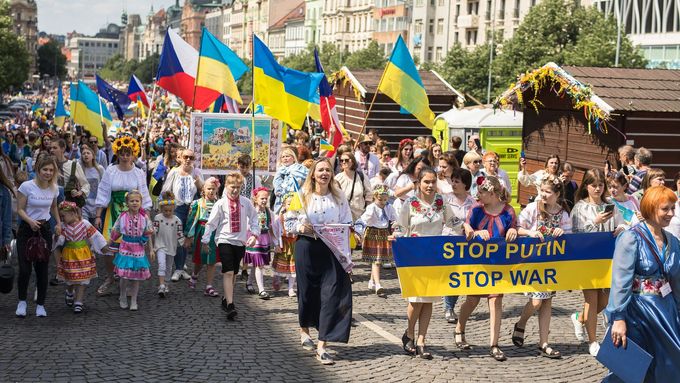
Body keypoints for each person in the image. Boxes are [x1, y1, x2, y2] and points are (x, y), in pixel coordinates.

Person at [605, 186, 680, 382]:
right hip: (637, 312)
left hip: (666, 311)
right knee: (632, 369)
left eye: (673, 208)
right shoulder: (631, 238)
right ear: (651, 207)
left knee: (671, 362)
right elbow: (621, 280)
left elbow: (677, 281)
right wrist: (618, 318)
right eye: (665, 209)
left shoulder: (673, 241)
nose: (671, 213)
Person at [286, 158, 353, 365]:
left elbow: (348, 221)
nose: (324, 173)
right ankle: (304, 330)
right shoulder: (301, 196)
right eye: (320, 170)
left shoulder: (339, 196)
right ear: (313, 174)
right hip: (307, 247)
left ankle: (323, 344)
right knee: (307, 293)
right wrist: (300, 228)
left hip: (332, 249)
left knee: (332, 294)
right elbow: (289, 222)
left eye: (328, 170)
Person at [393, 167, 455, 359]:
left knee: (429, 300)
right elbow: (400, 226)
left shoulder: (441, 201)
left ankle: (422, 339)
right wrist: (396, 236)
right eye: (426, 182)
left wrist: (469, 229)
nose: (430, 185)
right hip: (414, 257)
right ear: (418, 183)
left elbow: (453, 221)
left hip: (433, 257)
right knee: (416, 300)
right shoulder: (410, 203)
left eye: (433, 181)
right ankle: (409, 333)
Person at [456, 176, 517, 361]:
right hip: (477, 262)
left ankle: (494, 344)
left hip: (498, 264)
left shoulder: (508, 212)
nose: (477, 195)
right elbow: (465, 228)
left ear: (492, 193)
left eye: (481, 192)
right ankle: (460, 327)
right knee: (472, 300)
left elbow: (515, 228)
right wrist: (473, 231)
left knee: (495, 301)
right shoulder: (476, 210)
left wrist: (514, 231)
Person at [514, 176, 571, 358]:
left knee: (547, 301)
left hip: (552, 263)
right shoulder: (533, 208)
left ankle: (543, 343)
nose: (544, 195)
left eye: (548, 192)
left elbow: (570, 235)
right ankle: (521, 322)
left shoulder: (563, 213)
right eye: (542, 191)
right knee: (537, 300)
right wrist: (530, 232)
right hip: (533, 261)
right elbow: (517, 228)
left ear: (557, 194)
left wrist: (563, 233)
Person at [570, 168, 625, 356]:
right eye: (594, 185)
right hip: (587, 257)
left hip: (607, 258)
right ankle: (593, 341)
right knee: (591, 298)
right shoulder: (579, 207)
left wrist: (621, 228)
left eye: (601, 185)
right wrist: (595, 221)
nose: (598, 189)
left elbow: (622, 223)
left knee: (606, 300)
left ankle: (580, 318)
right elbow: (575, 233)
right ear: (586, 186)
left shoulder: (611, 205)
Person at [94, 136, 152, 296]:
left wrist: (147, 217)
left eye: (129, 153)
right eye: (122, 153)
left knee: (131, 248)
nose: (125, 156)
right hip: (113, 213)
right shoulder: (110, 171)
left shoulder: (139, 172)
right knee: (108, 248)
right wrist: (98, 215)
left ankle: (126, 280)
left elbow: (144, 194)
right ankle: (111, 277)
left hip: (134, 215)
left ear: (134, 154)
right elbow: (103, 191)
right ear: (117, 154)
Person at [201, 173, 259, 321]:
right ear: (226, 186)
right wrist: (206, 240)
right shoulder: (220, 203)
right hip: (224, 240)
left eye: (238, 188)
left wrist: (254, 234)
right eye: (232, 187)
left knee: (233, 273)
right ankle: (231, 305)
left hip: (240, 242)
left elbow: (254, 218)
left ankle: (226, 298)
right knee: (228, 271)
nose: (235, 190)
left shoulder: (246, 202)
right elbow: (212, 222)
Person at [15, 155, 61, 318]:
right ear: (37, 170)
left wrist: (58, 223)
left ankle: (40, 304)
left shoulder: (54, 188)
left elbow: (54, 207)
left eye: (51, 170)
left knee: (42, 269)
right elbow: (20, 209)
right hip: (27, 229)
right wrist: (30, 221)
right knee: (25, 269)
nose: (48, 173)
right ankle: (22, 301)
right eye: (45, 170)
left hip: (45, 229)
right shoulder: (27, 186)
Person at [55, 201, 107, 314]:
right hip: (69, 255)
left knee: (82, 279)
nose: (62, 219)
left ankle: (78, 301)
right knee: (70, 278)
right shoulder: (63, 226)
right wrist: (57, 235)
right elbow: (60, 241)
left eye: (63, 216)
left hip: (83, 254)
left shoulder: (85, 224)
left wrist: (103, 246)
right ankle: (69, 291)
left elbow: (95, 235)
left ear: (73, 213)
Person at [161, 148, 203, 282]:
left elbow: (204, 189)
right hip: (177, 208)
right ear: (180, 158)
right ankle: (178, 268)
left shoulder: (196, 172)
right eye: (186, 157)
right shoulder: (174, 172)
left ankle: (181, 268)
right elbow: (166, 190)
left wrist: (198, 182)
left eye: (191, 157)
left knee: (187, 239)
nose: (188, 160)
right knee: (178, 239)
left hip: (192, 210)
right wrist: (167, 208)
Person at [109, 189, 154, 311]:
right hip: (125, 246)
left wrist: (151, 249)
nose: (135, 203)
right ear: (127, 203)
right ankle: (123, 296)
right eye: (132, 201)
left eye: (137, 201)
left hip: (138, 248)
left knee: (136, 276)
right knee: (124, 275)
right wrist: (109, 243)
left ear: (141, 202)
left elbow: (148, 232)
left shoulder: (144, 217)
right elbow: (116, 230)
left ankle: (134, 299)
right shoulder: (122, 216)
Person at [443, 168, 476, 324]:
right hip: (448, 240)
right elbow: (446, 219)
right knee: (452, 273)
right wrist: (463, 225)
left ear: (465, 184)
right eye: (453, 181)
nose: (454, 184)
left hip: (465, 243)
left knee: (461, 275)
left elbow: (476, 221)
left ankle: (456, 305)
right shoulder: (445, 199)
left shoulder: (473, 202)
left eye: (457, 181)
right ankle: (448, 307)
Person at [186, 177, 221, 296]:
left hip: (214, 233)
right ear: (204, 190)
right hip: (201, 231)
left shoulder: (219, 204)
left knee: (212, 260)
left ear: (217, 190)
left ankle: (209, 286)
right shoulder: (197, 203)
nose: (211, 191)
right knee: (200, 259)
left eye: (213, 189)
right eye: (209, 189)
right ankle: (195, 274)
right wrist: (189, 235)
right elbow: (191, 220)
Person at [360, 184, 396, 297]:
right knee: (376, 259)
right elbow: (364, 219)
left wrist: (396, 227)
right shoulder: (371, 208)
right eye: (380, 199)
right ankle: (378, 284)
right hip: (373, 233)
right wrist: (358, 231)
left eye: (385, 199)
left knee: (378, 259)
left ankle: (372, 281)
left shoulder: (389, 207)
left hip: (384, 233)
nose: (383, 201)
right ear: (375, 197)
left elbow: (395, 218)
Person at [244, 187, 275, 300]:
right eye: (262, 198)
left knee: (257, 264)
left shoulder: (268, 212)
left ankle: (249, 282)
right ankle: (261, 290)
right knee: (259, 265)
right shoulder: (251, 211)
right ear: (256, 199)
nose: (264, 201)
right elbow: (247, 225)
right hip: (254, 239)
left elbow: (271, 226)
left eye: (266, 199)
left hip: (264, 239)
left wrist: (276, 242)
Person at [153, 192, 185, 298]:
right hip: (160, 245)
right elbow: (155, 230)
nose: (167, 213)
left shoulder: (177, 220)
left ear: (173, 209)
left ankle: (166, 283)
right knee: (161, 264)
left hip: (172, 245)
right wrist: (150, 231)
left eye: (170, 211)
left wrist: (183, 243)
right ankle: (161, 285)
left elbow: (179, 233)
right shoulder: (158, 218)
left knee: (168, 266)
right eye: (165, 211)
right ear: (161, 209)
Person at [271, 193, 298, 297]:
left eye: (293, 204)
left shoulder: (299, 216)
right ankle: (277, 278)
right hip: (284, 244)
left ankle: (291, 288)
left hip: (294, 243)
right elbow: (274, 231)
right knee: (280, 265)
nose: (291, 206)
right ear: (283, 205)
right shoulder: (280, 218)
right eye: (288, 204)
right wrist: (276, 244)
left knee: (293, 267)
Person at [335, 152, 372, 221]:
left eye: (346, 160)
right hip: (343, 217)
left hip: (360, 217)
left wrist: (367, 214)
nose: (343, 162)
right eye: (341, 160)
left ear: (353, 161)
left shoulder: (361, 176)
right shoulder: (337, 178)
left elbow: (369, 196)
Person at [273, 148, 308, 214]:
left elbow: (307, 181)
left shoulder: (301, 169)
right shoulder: (279, 171)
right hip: (282, 202)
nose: (285, 158)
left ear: (294, 158)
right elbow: (277, 187)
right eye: (283, 157)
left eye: (287, 156)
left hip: (297, 200)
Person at [79, 144, 104, 224]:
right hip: (84, 206)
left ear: (93, 156)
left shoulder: (100, 169)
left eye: (88, 153)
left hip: (97, 206)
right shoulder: (80, 169)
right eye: (83, 153)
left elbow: (104, 187)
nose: (86, 155)